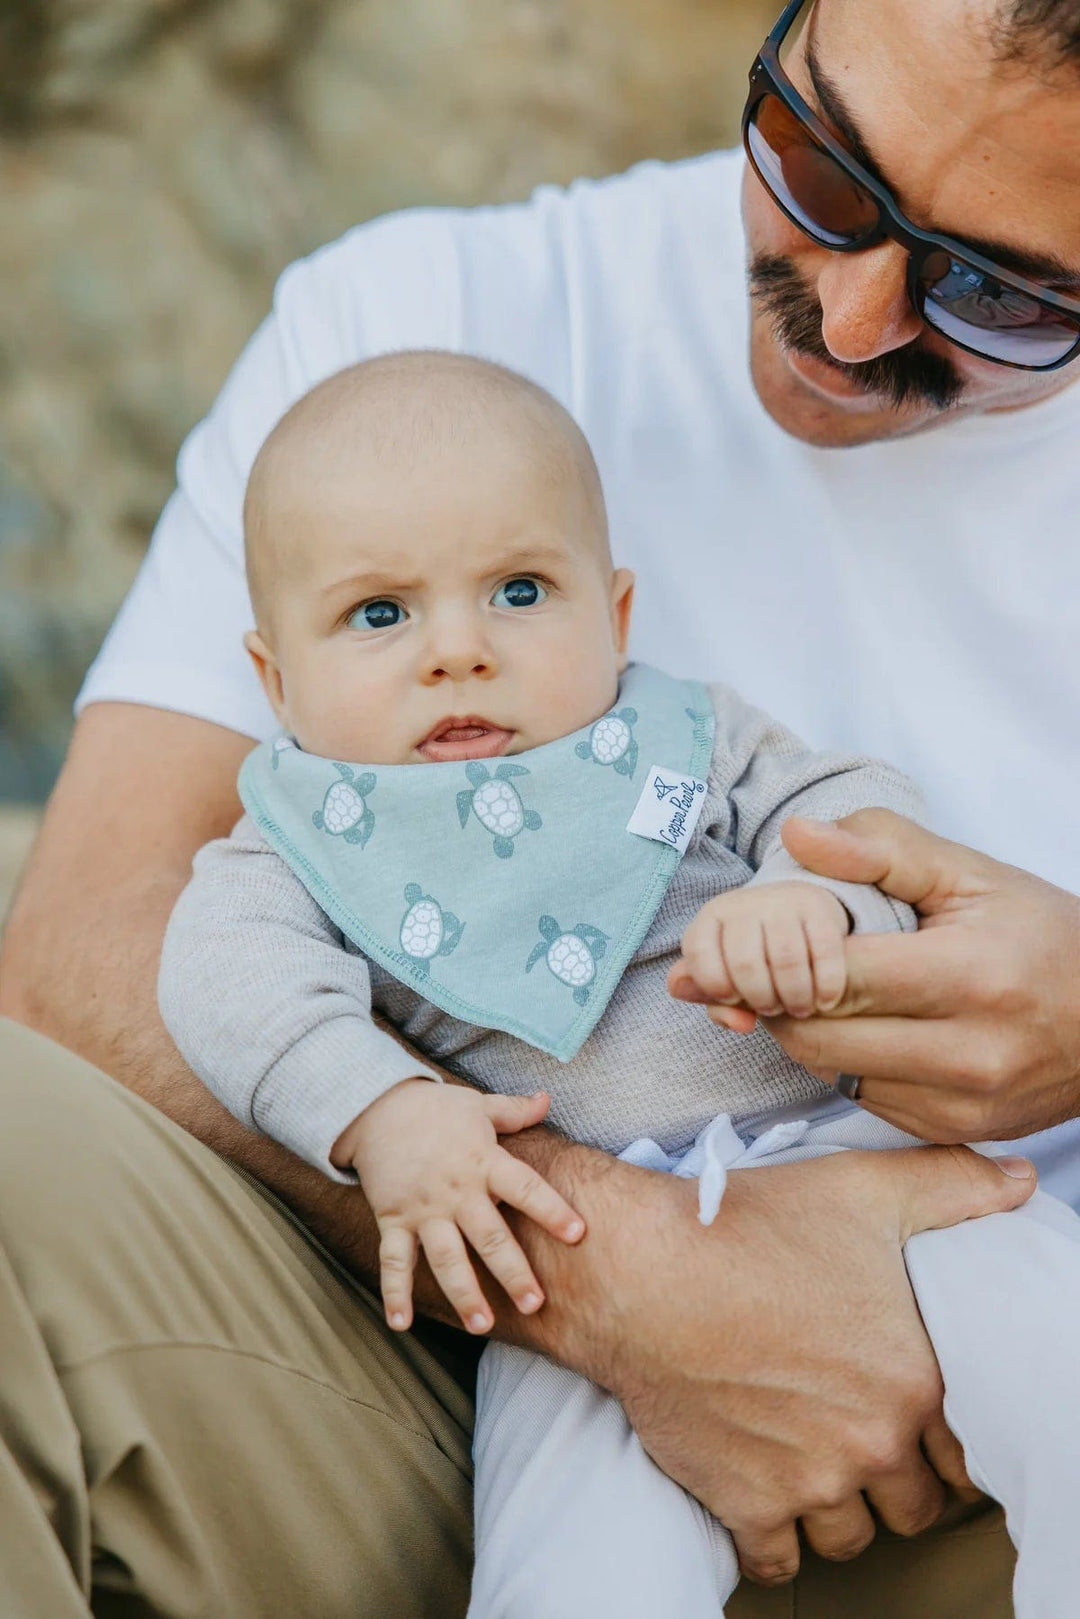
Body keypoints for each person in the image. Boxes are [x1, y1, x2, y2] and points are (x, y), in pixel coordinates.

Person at [1, 0, 1079, 1610]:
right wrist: (611, 1268)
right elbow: (90, 949)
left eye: (997, 291)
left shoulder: (691, 738)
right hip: (473, 1351)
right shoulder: (424, 327)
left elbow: (826, 821)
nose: (852, 317)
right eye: (817, 163)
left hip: (976, 1337)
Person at [156, 350, 1080, 1619]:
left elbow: (850, 806)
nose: (458, 652)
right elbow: (221, 972)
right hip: (591, 1279)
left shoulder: (684, 738)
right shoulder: (307, 837)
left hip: (862, 1166)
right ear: (274, 678)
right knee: (574, 1559)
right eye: (380, 614)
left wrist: (813, 901)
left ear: (617, 611)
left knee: (1063, 1355)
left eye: (520, 589)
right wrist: (377, 1110)